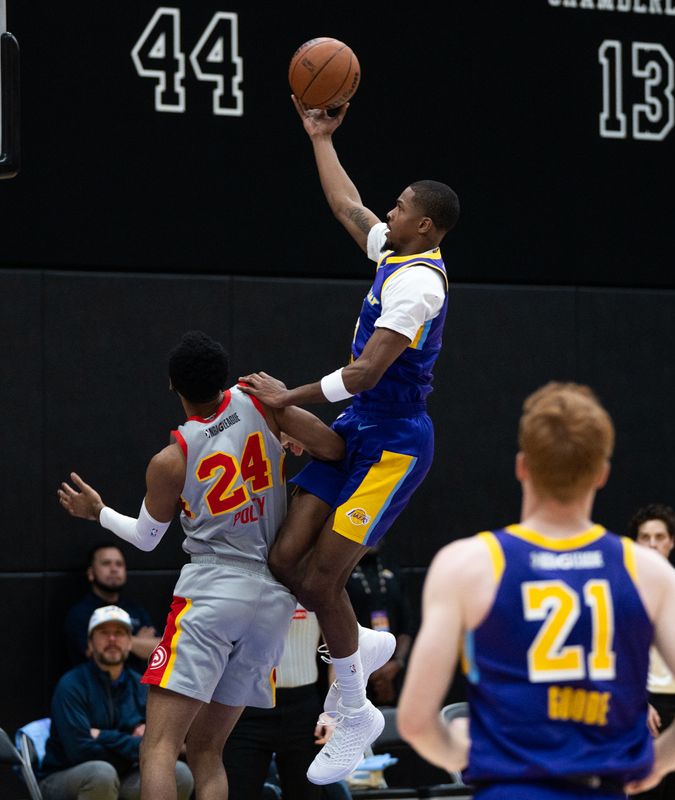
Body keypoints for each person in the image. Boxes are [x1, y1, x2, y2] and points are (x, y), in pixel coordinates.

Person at [238, 96, 460, 785]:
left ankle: (355, 709)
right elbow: (346, 206)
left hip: (393, 443)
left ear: (423, 225)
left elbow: (365, 374)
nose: (385, 214)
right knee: (285, 560)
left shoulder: (418, 286)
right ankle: (357, 644)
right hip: (360, 427)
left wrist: (287, 398)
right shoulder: (397, 251)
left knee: (324, 578)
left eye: (397, 208)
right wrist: (320, 138)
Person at [396, 382, 675, 798]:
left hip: (509, 788)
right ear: (602, 474)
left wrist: (459, 753)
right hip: (601, 787)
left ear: (522, 466)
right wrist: (656, 763)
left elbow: (413, 720)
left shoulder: (468, 564)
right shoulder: (646, 569)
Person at [57, 331, 345, 800]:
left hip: (214, 590)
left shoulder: (172, 458)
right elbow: (334, 448)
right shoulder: (263, 403)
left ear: (173, 386)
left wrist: (98, 512)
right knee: (209, 750)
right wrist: (289, 430)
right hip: (272, 601)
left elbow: (148, 539)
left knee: (159, 747)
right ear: (225, 375)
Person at [41, 606, 194, 800]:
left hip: (123, 775)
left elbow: (169, 745)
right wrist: (136, 745)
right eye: (104, 633)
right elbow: (79, 751)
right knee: (101, 774)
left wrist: (102, 735)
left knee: (178, 773)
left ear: (130, 643)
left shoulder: (141, 686)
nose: (112, 639)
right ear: (90, 644)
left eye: (120, 633)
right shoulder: (71, 685)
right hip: (65, 775)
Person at [628, 502, 675, 800]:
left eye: (659, 537)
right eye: (645, 537)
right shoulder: (625, 587)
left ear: (671, 541)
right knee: (644, 790)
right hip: (645, 701)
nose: (652, 544)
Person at [222, 602, 330, 800]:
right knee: (236, 792)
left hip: (304, 709)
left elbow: (341, 650)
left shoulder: (317, 578)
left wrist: (334, 712)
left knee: (307, 794)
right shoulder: (240, 575)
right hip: (245, 707)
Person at [64, 544, 159, 671]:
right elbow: (94, 653)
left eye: (119, 564)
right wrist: (136, 642)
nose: (114, 569)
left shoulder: (136, 609)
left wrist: (111, 643)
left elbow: (159, 650)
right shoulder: (80, 614)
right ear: (91, 573)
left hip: (136, 686)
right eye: (106, 563)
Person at [344, 549, 414, 706]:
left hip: (393, 669)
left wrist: (397, 662)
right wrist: (369, 669)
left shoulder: (391, 567)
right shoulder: (343, 569)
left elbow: (407, 625)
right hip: (356, 668)